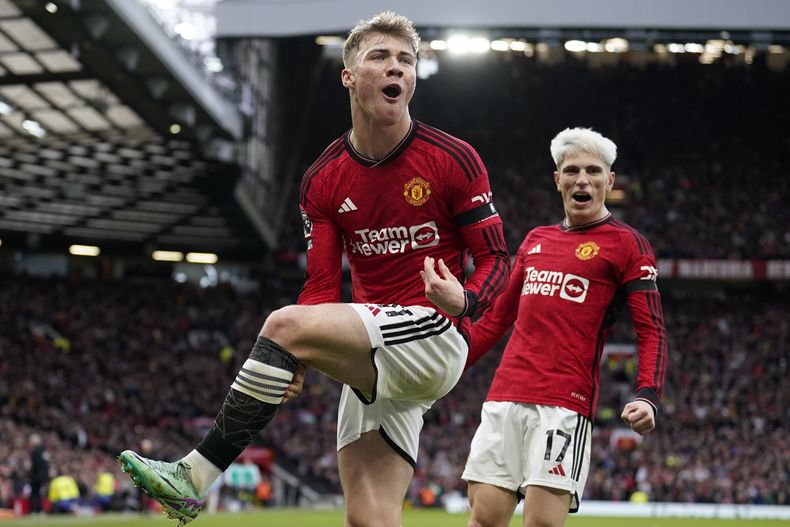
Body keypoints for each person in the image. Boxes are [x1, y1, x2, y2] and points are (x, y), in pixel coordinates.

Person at [118, 11, 509, 527]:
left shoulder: (452, 159)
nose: (397, 68)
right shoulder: (323, 180)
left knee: (280, 324)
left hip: (435, 333)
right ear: (349, 76)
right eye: (381, 57)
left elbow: (498, 258)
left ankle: (192, 477)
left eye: (406, 61)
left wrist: (468, 300)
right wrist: (295, 359)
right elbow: (322, 285)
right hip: (376, 349)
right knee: (368, 518)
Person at [445, 127, 668, 527]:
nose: (582, 179)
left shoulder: (628, 244)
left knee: (542, 525)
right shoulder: (534, 240)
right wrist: (445, 366)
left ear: (609, 181)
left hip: (564, 404)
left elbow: (651, 330)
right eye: (572, 170)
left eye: (593, 171)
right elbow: (496, 318)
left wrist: (648, 394)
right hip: (505, 396)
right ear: (558, 179)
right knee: (483, 520)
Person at [28, 433, 49, 515]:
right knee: (39, 494)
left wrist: (31, 475)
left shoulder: (35, 451)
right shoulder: (43, 450)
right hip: (42, 476)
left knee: (34, 493)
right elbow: (46, 465)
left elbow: (36, 465)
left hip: (36, 476)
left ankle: (35, 510)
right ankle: (40, 510)